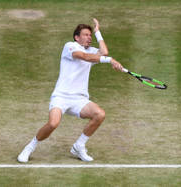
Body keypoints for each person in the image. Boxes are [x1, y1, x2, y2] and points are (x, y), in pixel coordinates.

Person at [18, 18, 123, 162]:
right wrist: (110, 60)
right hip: (61, 97)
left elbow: (104, 52)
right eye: (86, 35)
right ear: (77, 37)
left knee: (100, 114)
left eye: (90, 35)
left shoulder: (92, 51)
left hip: (79, 99)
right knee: (53, 123)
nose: (89, 37)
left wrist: (98, 32)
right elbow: (84, 57)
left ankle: (78, 146)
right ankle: (30, 147)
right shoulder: (70, 46)